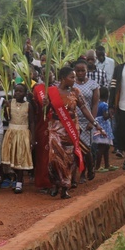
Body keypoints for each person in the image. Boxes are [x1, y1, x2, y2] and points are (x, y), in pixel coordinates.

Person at [45, 67, 104, 199]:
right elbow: (46, 110)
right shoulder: (52, 91)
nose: (74, 80)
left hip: (70, 128)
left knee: (69, 159)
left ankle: (65, 187)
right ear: (63, 78)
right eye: (72, 77)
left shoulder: (75, 92)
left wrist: (96, 124)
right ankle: (55, 183)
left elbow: (84, 109)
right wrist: (45, 104)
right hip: (55, 128)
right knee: (54, 157)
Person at [1, 83, 34, 194]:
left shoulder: (28, 105)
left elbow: (32, 122)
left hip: (23, 133)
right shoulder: (10, 102)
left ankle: (19, 182)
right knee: (11, 157)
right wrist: (6, 108)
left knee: (20, 157)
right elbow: (8, 117)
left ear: (25, 93)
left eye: (20, 91)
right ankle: (13, 177)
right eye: (16, 91)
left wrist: (32, 138)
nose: (17, 93)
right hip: (12, 132)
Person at [73, 59, 98, 183]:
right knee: (77, 148)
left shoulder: (93, 85)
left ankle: (90, 167)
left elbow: (94, 104)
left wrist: (91, 122)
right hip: (74, 120)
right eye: (78, 71)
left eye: (83, 70)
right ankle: (81, 172)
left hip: (87, 120)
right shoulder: (71, 84)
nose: (80, 73)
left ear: (87, 71)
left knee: (86, 148)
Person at [93, 87, 115, 172]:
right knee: (102, 147)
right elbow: (105, 117)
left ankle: (107, 165)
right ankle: (97, 167)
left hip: (98, 126)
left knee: (105, 147)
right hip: (103, 128)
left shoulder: (97, 104)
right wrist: (111, 114)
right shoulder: (105, 105)